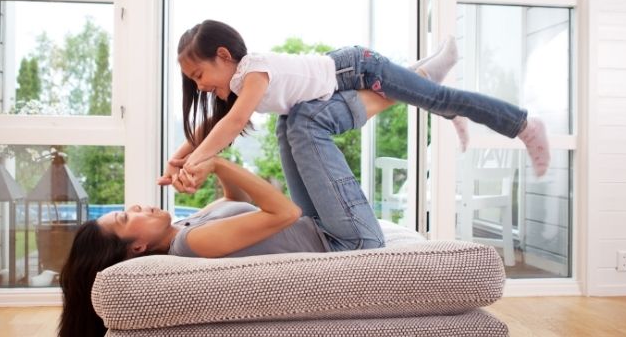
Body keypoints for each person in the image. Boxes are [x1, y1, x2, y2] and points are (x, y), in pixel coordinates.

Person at [59, 88, 394, 337]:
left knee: (289, 118)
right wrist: (218, 162)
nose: (133, 207)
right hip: (346, 240)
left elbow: (235, 199)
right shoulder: (190, 244)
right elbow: (284, 213)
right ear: (137, 248)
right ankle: (411, 89)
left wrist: (208, 154)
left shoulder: (184, 226)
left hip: (323, 225)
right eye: (125, 218)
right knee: (306, 126)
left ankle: (406, 85)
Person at [163, 19, 549, 191]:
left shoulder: (253, 72)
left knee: (436, 97)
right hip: (337, 79)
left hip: (356, 67)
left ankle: (521, 124)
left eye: (199, 75)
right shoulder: (232, 84)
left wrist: (197, 161)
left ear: (224, 55)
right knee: (424, 93)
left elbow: (231, 125)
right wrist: (180, 158)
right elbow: (211, 129)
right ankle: (436, 87)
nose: (200, 86)